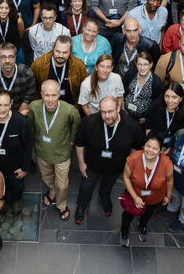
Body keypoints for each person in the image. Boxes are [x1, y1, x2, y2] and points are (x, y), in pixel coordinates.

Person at [74, 96, 143, 224]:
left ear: (118, 108)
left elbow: (136, 149)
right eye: (103, 112)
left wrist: (130, 168)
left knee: (107, 187)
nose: (107, 116)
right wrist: (81, 163)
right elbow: (79, 144)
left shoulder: (132, 126)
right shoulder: (89, 122)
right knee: (85, 188)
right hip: (92, 165)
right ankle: (82, 205)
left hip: (115, 168)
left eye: (110, 111)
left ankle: (104, 199)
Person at [28, 79, 81, 221]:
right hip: (42, 152)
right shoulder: (34, 107)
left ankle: (61, 205)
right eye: (46, 95)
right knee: (46, 177)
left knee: (62, 185)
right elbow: (31, 127)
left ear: (59, 95)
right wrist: (34, 144)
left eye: (54, 95)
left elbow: (75, 128)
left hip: (61, 154)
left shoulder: (70, 110)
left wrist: (70, 141)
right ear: (41, 95)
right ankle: (52, 191)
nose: (50, 100)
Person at [120, 135, 173, 247]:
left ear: (160, 151)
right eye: (148, 146)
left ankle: (142, 226)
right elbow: (126, 177)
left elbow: (169, 180)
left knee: (148, 214)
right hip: (135, 196)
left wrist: (168, 196)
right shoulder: (133, 158)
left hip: (155, 198)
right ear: (144, 146)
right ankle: (124, 232)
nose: (150, 150)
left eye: (155, 148)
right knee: (128, 215)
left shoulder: (166, 163)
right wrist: (135, 197)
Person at [31, 35, 88, 104]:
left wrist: (77, 108)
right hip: (46, 106)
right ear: (53, 49)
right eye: (57, 51)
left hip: (70, 107)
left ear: (70, 52)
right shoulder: (39, 64)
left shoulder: (79, 66)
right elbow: (32, 88)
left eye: (65, 52)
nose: (60, 55)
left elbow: (84, 90)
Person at [122, 52, 163, 124]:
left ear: (151, 65)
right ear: (136, 64)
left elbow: (156, 104)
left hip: (141, 119)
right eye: (139, 64)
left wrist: (145, 118)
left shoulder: (156, 82)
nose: (142, 68)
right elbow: (122, 92)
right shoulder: (130, 74)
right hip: (125, 113)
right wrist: (123, 109)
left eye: (145, 64)